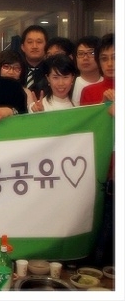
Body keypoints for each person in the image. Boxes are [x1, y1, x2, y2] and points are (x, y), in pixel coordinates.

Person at [79, 33, 115, 267]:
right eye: (104, 58)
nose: (110, 63)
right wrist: (102, 108)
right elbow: (84, 132)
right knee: (100, 234)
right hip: (100, 173)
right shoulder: (90, 92)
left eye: (116, 57)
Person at [72, 35, 103, 106]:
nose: (85, 58)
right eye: (80, 54)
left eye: (91, 53)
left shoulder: (110, 84)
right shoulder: (67, 86)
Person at [20, 24, 48, 96]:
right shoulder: (16, 70)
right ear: (22, 47)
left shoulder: (51, 71)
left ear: (47, 46)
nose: (34, 46)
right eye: (30, 42)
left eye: (39, 42)